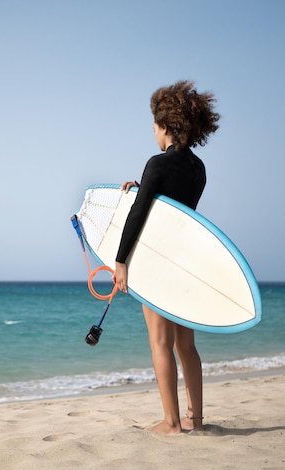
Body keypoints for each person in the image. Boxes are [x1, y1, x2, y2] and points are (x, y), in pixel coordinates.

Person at [112, 80, 220, 435]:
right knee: (186, 345)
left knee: (159, 342)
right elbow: (176, 208)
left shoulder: (156, 163)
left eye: (155, 127)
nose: (154, 134)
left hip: (157, 266)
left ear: (167, 127)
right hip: (186, 264)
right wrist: (145, 187)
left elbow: (139, 216)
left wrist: (121, 261)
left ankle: (172, 423)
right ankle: (196, 420)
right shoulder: (199, 168)